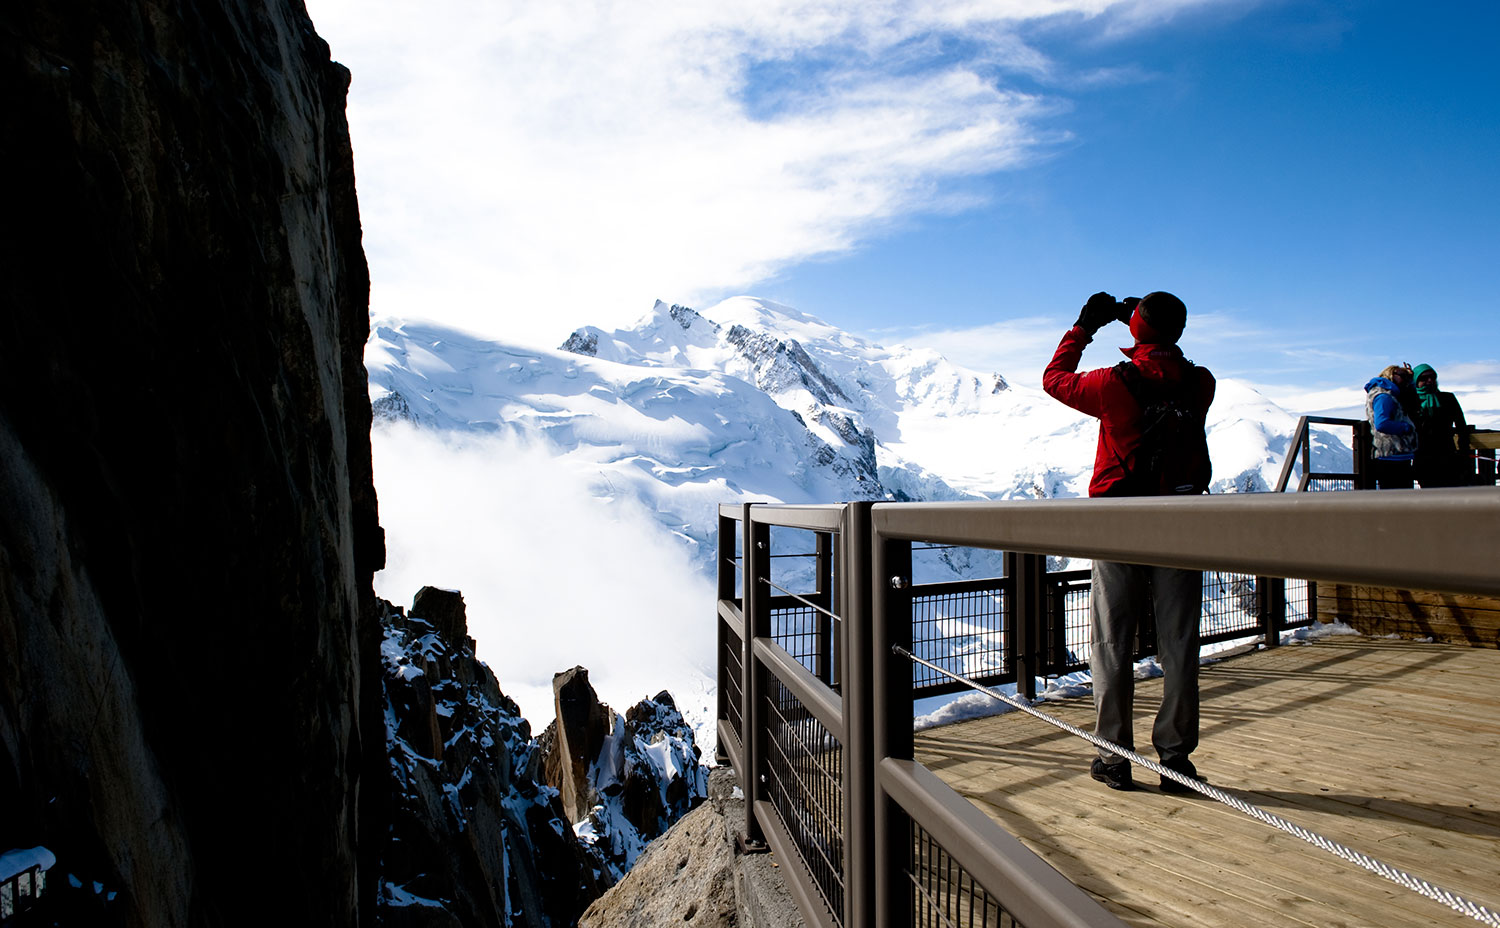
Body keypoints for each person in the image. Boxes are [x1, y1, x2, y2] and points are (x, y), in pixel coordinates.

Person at [1043, 291, 1215, 793]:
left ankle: (1114, 757)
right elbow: (1165, 355)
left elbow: (1055, 380)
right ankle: (1177, 760)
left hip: (1119, 522)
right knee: (1179, 643)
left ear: (1136, 327)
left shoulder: (1115, 383)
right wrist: (1144, 324)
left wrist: (1085, 326)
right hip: (1182, 522)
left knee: (1113, 641)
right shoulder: (1200, 383)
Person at [1410, 363, 1471, 487]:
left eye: (1432, 377)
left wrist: (1463, 455)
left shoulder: (1447, 398)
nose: (1429, 381)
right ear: (1415, 381)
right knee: (1429, 497)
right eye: (1424, 378)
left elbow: (1461, 427)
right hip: (1423, 458)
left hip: (1447, 456)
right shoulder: (1411, 400)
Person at [1364, 364, 1417, 489]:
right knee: (1398, 498)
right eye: (1402, 376)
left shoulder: (1390, 394)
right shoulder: (1384, 397)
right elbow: (1382, 424)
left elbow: (1412, 398)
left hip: (1395, 454)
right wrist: (1405, 427)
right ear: (1391, 375)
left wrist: (1411, 380)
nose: (1405, 379)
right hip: (1391, 455)